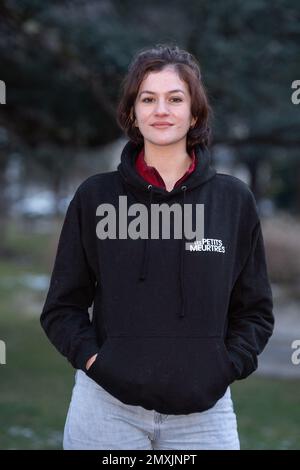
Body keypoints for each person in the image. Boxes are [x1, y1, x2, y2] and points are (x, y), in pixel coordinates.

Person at [40, 44, 274, 450]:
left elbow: (254, 311)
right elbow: (62, 308)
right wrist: (98, 362)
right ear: (132, 112)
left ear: (195, 112)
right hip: (105, 409)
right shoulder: (96, 198)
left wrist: (226, 366)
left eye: (175, 99)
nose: (161, 110)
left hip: (205, 415)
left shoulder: (233, 201)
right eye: (148, 99)